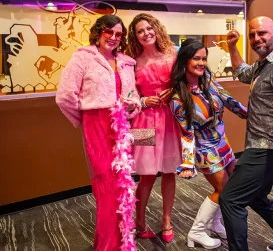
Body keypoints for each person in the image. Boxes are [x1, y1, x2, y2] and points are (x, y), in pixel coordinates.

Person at [219, 16, 273, 251]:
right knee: (257, 197)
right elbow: (242, 72)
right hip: (264, 145)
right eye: (252, 35)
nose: (256, 38)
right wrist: (232, 46)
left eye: (262, 33)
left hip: (269, 146)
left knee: (230, 200)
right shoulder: (263, 63)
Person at [56, 14, 141, 250]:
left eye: (118, 34)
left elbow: (134, 95)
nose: (113, 38)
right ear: (98, 32)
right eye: (109, 32)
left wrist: (134, 105)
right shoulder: (83, 58)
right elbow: (64, 96)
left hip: (122, 127)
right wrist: (85, 120)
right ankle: (108, 246)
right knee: (106, 188)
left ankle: (122, 241)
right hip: (97, 127)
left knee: (123, 186)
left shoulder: (126, 62)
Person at [170, 39, 247, 249]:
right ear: (185, 60)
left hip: (223, 142)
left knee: (232, 186)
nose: (202, 63)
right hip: (204, 149)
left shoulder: (208, 79)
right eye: (196, 58)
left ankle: (214, 222)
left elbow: (227, 99)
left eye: (204, 58)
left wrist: (250, 114)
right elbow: (186, 133)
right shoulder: (178, 98)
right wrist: (187, 163)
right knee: (223, 189)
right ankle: (197, 231)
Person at [126, 13, 181, 243]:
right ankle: (139, 222)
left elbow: (184, 82)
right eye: (140, 31)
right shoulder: (131, 60)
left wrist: (174, 91)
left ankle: (166, 220)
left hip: (170, 119)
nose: (146, 33)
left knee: (169, 171)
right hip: (143, 121)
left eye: (149, 28)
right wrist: (143, 101)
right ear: (135, 36)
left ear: (156, 29)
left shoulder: (173, 54)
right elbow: (127, 93)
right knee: (146, 174)